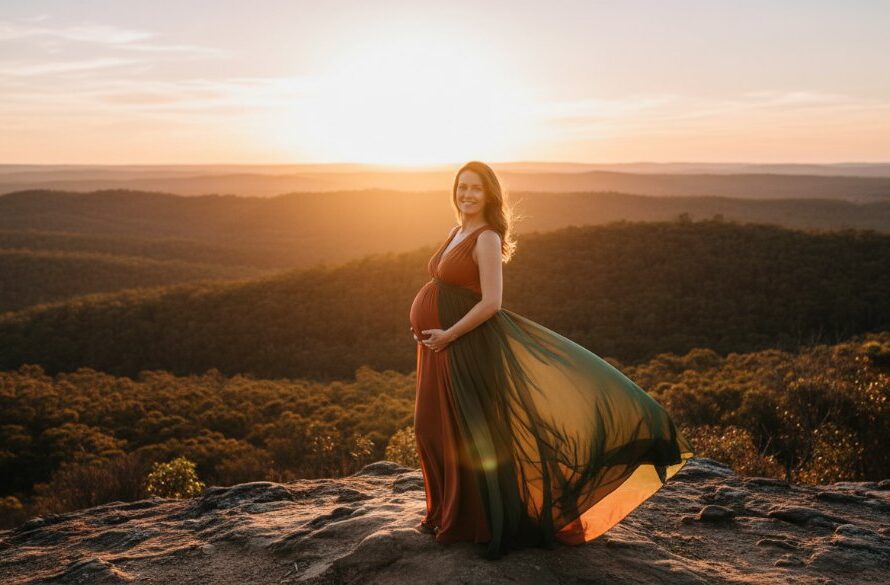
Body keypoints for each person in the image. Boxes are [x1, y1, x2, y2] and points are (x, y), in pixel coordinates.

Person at [408, 161, 695, 560]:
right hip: (438, 347)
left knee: (464, 433)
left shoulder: (487, 237)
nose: (467, 194)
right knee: (432, 428)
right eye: (462, 187)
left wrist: (449, 334)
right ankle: (446, 511)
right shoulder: (458, 230)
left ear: (490, 195)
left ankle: (474, 521)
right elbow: (443, 287)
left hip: (465, 347)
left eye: (476, 188)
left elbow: (492, 302)